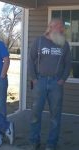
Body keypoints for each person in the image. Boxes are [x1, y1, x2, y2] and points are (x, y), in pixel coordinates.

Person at [28, 19, 71, 150]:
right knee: (35, 114)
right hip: (40, 81)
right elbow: (30, 60)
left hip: (56, 83)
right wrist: (34, 78)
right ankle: (34, 142)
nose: (62, 29)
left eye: (62, 27)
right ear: (51, 28)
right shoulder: (39, 41)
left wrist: (63, 79)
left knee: (55, 116)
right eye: (59, 27)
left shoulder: (64, 44)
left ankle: (51, 144)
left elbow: (68, 63)